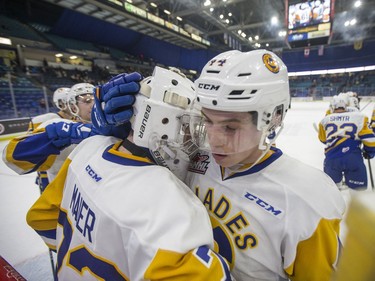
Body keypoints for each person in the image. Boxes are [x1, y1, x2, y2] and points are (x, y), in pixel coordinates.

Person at [91, 50, 347, 281]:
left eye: (230, 127)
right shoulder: (189, 154)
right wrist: (121, 125)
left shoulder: (307, 199)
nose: (213, 140)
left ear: (274, 118)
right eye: (206, 121)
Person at [26, 67, 232, 280]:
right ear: (162, 123)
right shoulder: (170, 201)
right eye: (188, 128)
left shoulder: (88, 148)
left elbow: (40, 219)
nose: (193, 142)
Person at [2, 83, 97, 191]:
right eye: (87, 101)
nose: (94, 105)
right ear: (73, 106)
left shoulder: (110, 130)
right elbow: (12, 156)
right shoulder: (57, 125)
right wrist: (52, 137)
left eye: (97, 100)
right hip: (62, 196)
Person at [318, 94, 375, 191]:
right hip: (353, 158)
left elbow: (323, 139)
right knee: (358, 191)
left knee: (332, 191)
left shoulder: (324, 120)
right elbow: (370, 139)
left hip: (332, 159)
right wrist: (369, 152)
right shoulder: (360, 117)